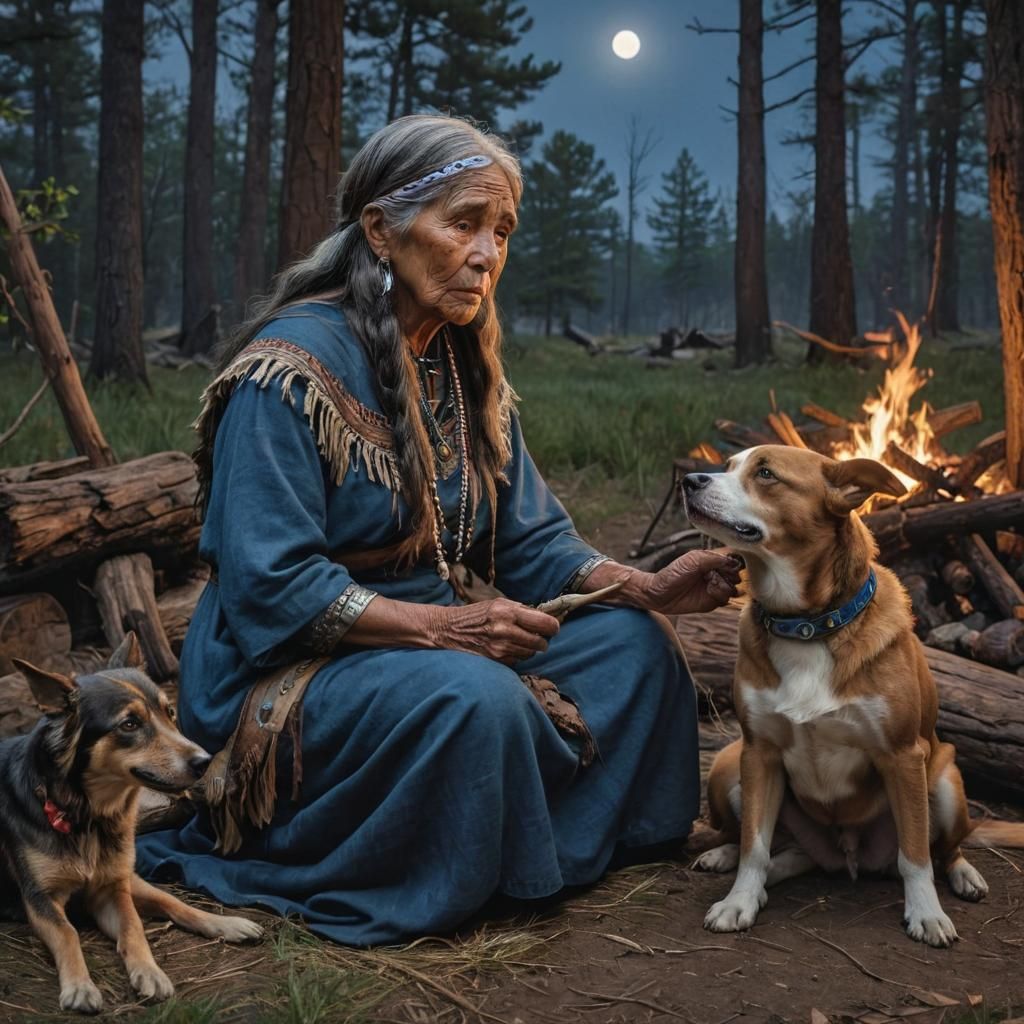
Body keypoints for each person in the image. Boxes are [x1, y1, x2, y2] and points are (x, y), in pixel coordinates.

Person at [135, 114, 741, 946]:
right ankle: (444, 863)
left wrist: (644, 587)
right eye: (463, 224)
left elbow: (529, 542)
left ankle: (543, 844)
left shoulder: (459, 362)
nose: (488, 253)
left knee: (636, 646)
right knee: (478, 700)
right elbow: (270, 585)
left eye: (500, 231)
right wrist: (448, 627)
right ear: (381, 230)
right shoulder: (286, 371)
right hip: (286, 671)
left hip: (426, 653)